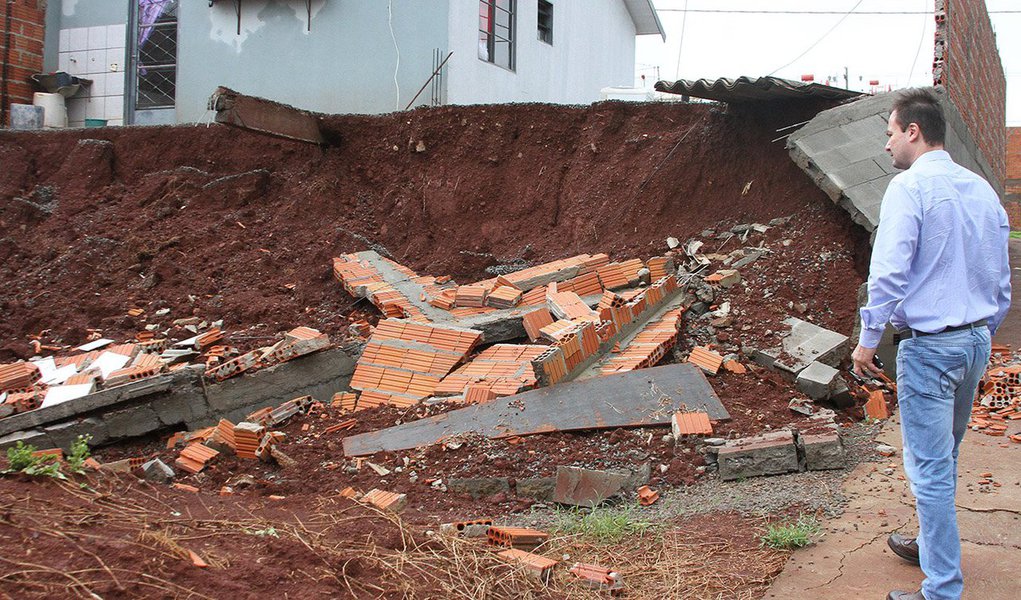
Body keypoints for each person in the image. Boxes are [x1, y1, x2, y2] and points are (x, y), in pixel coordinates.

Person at [851, 88, 1011, 600]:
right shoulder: (981, 189)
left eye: (891, 132)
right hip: (973, 344)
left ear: (913, 131)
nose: (887, 144)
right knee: (947, 453)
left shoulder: (909, 188)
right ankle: (928, 543)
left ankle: (942, 588)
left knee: (930, 466)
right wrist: (984, 331)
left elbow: (890, 271)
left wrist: (867, 341)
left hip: (930, 347)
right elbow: (999, 275)